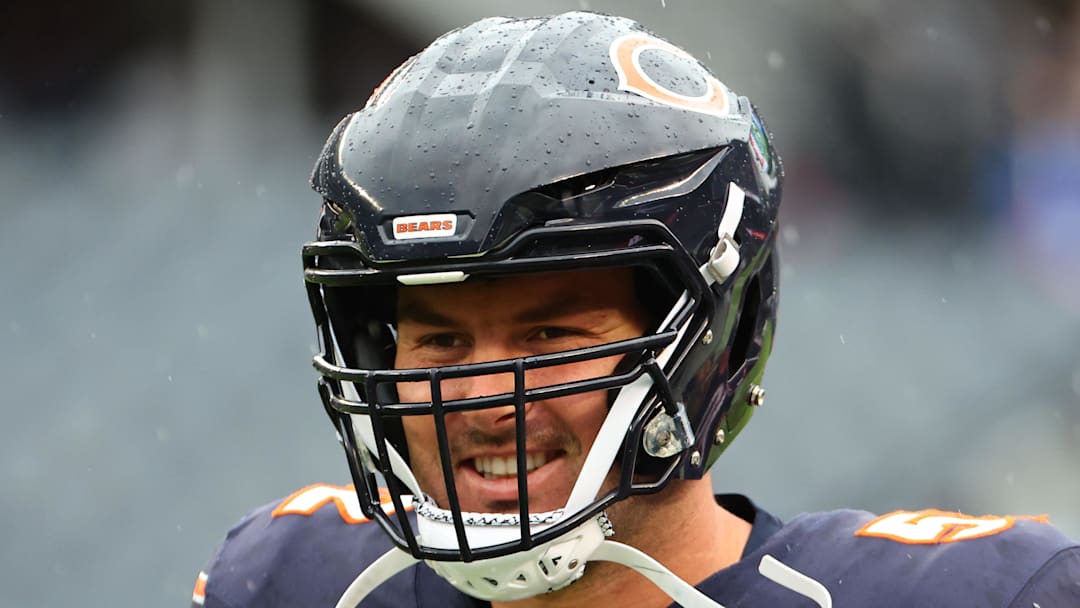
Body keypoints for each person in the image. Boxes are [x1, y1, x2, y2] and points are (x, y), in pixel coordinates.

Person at [192, 11, 1080, 608]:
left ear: (706, 343)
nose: (482, 396)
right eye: (441, 338)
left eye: (549, 333)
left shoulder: (978, 592)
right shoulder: (294, 582)